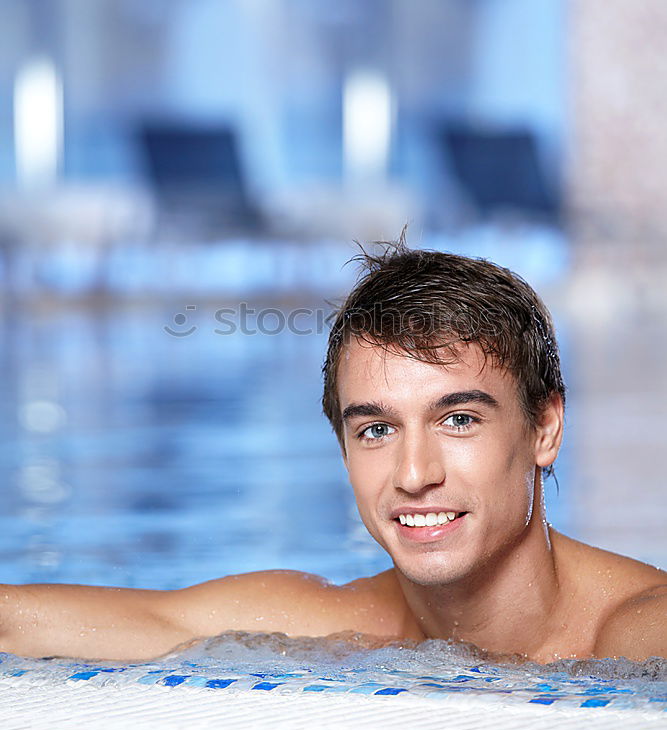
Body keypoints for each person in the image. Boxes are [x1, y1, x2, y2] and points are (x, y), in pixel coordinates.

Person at [1, 242, 665, 664]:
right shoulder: (329, 627)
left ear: (544, 428)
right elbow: (31, 624)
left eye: (457, 419)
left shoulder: (635, 637)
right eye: (375, 429)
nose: (413, 475)